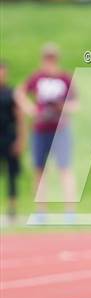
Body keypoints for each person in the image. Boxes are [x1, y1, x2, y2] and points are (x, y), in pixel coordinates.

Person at [15, 44, 78, 222]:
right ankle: (41, 212)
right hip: (41, 129)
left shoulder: (65, 79)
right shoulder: (37, 78)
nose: (49, 62)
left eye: (52, 58)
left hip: (60, 130)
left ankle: (70, 212)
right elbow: (19, 93)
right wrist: (31, 109)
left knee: (65, 169)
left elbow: (76, 103)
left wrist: (63, 108)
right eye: (47, 58)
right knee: (40, 171)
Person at [0, 62, 25, 222]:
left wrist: (21, 139)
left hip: (9, 137)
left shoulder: (11, 93)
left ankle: (12, 208)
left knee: (11, 175)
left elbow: (20, 117)